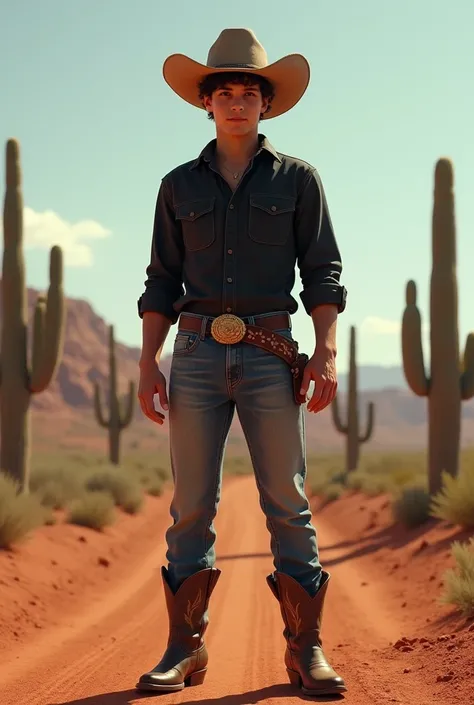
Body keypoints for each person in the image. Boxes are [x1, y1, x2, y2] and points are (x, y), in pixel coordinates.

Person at [135, 27, 348, 698]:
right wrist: (149, 361)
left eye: (248, 92)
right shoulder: (176, 186)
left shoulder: (299, 181)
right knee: (191, 506)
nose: (236, 102)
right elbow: (160, 280)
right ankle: (184, 649)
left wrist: (328, 351)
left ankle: (305, 649)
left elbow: (323, 274)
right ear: (206, 102)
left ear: (265, 105)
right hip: (194, 355)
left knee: (287, 501)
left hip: (270, 353)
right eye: (223, 92)